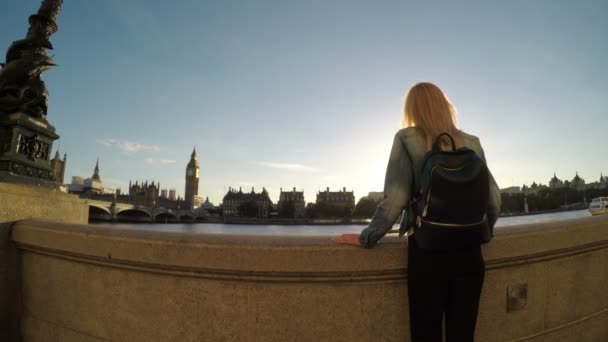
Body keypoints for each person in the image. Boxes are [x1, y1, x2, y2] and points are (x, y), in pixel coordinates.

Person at [334, 82, 501, 342]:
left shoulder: (407, 138)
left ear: (412, 109)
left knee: (426, 333)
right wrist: (484, 232)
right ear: (446, 107)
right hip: (470, 252)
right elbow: (494, 198)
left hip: (428, 252)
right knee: (463, 334)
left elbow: (396, 199)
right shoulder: (472, 142)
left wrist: (367, 237)